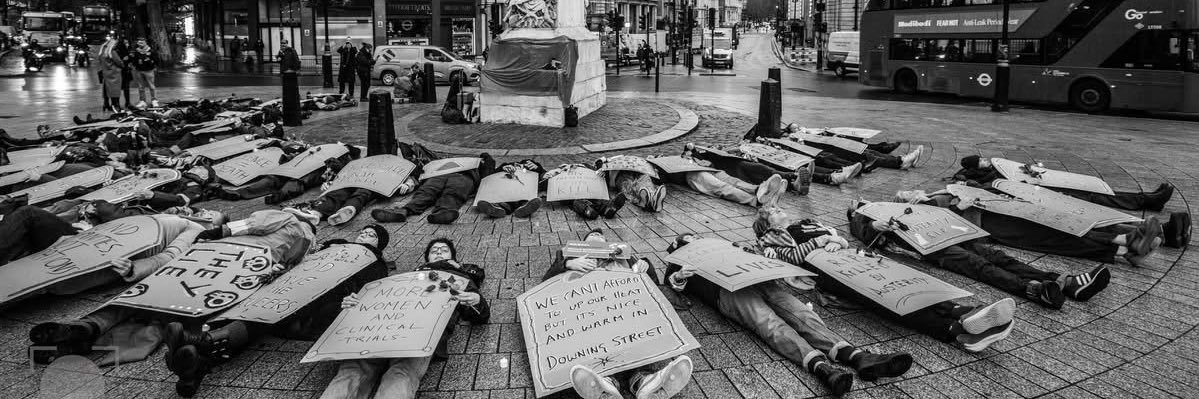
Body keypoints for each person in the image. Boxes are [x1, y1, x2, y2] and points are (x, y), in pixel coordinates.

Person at [27, 208, 317, 366]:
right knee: (190, 305)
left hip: (217, 254)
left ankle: (86, 327)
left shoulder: (287, 217)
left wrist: (217, 232)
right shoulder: (304, 242)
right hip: (242, 266)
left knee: (153, 292)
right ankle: (86, 337)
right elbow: (287, 268)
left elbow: (248, 224)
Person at [664, 233, 913, 395]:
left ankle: (857, 356)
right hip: (727, 292)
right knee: (769, 323)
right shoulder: (679, 263)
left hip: (757, 280)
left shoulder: (721, 244)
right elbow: (672, 288)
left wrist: (748, 251)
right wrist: (678, 277)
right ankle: (821, 367)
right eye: (687, 239)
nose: (693, 239)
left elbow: (751, 255)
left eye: (694, 236)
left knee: (800, 312)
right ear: (680, 246)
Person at [164, 225, 391, 397]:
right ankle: (195, 364)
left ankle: (202, 341)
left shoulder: (375, 263)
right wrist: (282, 270)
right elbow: (302, 263)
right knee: (257, 313)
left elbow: (368, 292)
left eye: (372, 234)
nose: (364, 234)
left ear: (379, 245)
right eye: (364, 230)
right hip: (289, 292)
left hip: (316, 309)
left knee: (263, 317)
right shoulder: (333, 246)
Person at [753, 208, 1019, 352]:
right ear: (767, 225)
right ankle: (956, 331)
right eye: (772, 210)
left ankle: (963, 313)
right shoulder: (770, 240)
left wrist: (835, 239)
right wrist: (823, 241)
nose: (778, 208)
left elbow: (837, 235)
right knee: (886, 298)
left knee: (901, 281)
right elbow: (792, 258)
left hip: (851, 256)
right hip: (831, 272)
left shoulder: (806, 222)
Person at [319, 238, 489, 399]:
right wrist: (356, 303)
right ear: (427, 258)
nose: (438, 252)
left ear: (453, 258)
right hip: (376, 330)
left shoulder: (458, 278)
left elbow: (480, 315)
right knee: (351, 372)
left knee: (401, 374)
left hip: (420, 335)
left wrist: (476, 300)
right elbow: (376, 301)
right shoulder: (402, 279)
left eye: (444, 250)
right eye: (434, 250)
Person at [543, 229, 695, 399]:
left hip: (623, 309)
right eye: (593, 236)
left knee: (635, 332)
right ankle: (607, 383)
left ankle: (644, 382)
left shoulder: (625, 257)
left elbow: (655, 289)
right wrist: (566, 265)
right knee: (594, 339)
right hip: (589, 313)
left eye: (601, 237)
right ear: (583, 243)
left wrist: (645, 267)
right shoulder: (567, 257)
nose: (598, 237)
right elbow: (544, 286)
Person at [896, 188, 1173, 266]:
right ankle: (1127, 243)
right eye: (906, 196)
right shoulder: (922, 210)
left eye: (911, 192)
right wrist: (958, 206)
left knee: (1056, 230)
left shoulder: (936, 195)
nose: (912, 194)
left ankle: (1126, 248)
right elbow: (944, 228)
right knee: (1053, 235)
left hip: (997, 216)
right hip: (992, 226)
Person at [952, 155, 1175, 212]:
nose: (985, 160)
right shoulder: (978, 178)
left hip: (1046, 188)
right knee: (1094, 198)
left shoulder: (993, 169)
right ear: (974, 167)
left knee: (1093, 191)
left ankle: (1148, 198)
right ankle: (1148, 201)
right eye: (980, 160)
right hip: (1045, 196)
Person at [372, 153, 495, 224]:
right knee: (427, 191)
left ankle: (443, 212)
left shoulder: (478, 162)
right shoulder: (440, 160)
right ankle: (403, 211)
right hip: (440, 174)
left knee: (454, 192)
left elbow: (488, 170)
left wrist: (486, 158)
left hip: (464, 175)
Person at [475, 159, 545, 218]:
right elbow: (491, 177)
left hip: (524, 190)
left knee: (523, 197)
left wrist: (537, 168)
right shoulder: (505, 165)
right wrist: (502, 168)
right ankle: (498, 208)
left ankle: (524, 207)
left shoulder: (533, 168)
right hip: (506, 189)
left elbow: (545, 175)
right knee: (504, 198)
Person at [597, 155, 667, 212]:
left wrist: (652, 160)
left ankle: (652, 198)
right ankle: (647, 200)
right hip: (619, 175)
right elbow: (599, 161)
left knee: (645, 179)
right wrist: (602, 168)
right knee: (628, 185)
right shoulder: (608, 163)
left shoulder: (627, 158)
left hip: (638, 171)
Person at [127, 38, 161, 108]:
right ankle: (142, 101)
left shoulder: (151, 51)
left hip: (149, 71)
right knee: (140, 87)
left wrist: (153, 65)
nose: (140, 44)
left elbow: (156, 59)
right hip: (139, 71)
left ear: (145, 43)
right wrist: (134, 65)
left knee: (151, 86)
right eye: (139, 43)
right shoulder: (136, 51)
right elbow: (133, 60)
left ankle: (154, 100)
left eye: (142, 42)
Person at [98, 37, 125, 113]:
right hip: (114, 73)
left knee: (106, 89)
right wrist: (123, 65)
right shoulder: (112, 52)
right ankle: (116, 106)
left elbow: (100, 61)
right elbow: (119, 62)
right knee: (115, 90)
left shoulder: (102, 52)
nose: (115, 46)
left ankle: (106, 105)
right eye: (115, 44)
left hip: (106, 73)